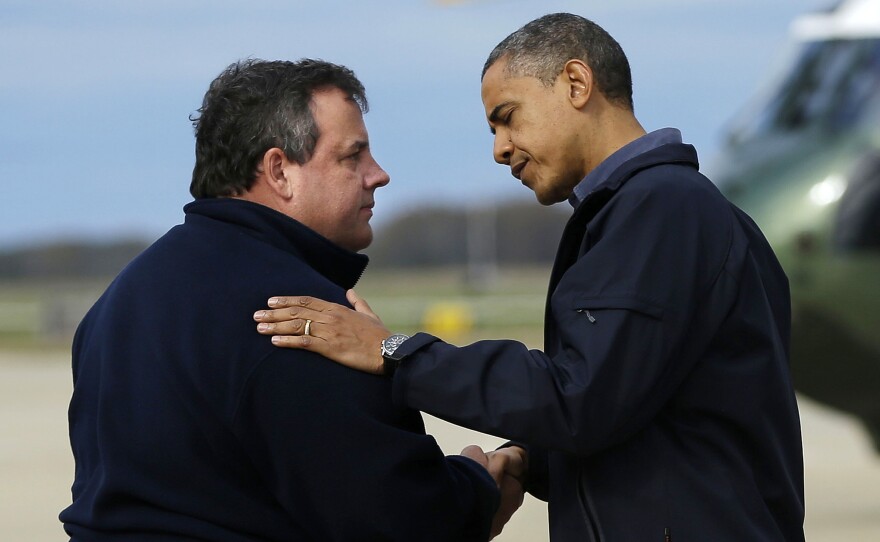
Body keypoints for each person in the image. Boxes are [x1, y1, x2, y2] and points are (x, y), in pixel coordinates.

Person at [253, 14, 807, 542]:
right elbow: (643, 403)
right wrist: (533, 458)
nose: (499, 149)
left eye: (508, 116)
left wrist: (394, 351)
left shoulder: (661, 210)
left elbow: (582, 398)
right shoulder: (658, 212)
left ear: (575, 82)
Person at [60, 58, 526, 541]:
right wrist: (479, 483)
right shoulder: (303, 320)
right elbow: (401, 522)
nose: (379, 174)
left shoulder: (117, 302)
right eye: (353, 156)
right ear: (279, 171)